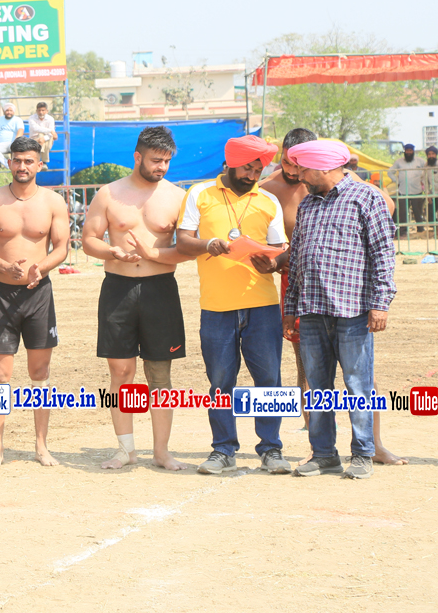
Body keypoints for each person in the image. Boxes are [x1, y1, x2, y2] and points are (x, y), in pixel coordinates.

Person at [259, 128, 397, 449]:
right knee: (313, 376)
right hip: (306, 297)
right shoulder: (287, 196)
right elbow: (292, 252)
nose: (296, 173)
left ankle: (368, 448)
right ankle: (321, 451)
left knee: (359, 378)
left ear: (321, 165)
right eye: (289, 164)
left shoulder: (358, 191)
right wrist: (288, 301)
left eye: (302, 167)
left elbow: (383, 240)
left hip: (350, 300)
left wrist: (380, 301)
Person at [175, 135, 291, 475]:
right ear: (230, 163)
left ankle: (271, 449)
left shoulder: (268, 200)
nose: (253, 174)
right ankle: (223, 450)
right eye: (248, 168)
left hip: (263, 304)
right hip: (216, 306)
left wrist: (274, 263)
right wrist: (207, 244)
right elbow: (182, 242)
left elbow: (281, 250)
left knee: (268, 380)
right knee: (220, 382)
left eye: (258, 169)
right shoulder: (199, 193)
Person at [82, 126, 191, 470]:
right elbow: (88, 240)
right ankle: (125, 449)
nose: (162, 167)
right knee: (121, 371)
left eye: (167, 161)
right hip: (118, 289)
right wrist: (111, 251)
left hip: (161, 290)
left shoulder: (178, 197)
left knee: (159, 374)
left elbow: (186, 250)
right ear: (137, 157)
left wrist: (154, 254)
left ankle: (161, 452)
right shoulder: (108, 194)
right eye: (156, 160)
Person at [0, 137, 70, 468]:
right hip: (3, 294)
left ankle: (41, 446)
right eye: (17, 160)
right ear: (9, 163)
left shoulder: (53, 202)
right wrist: (3, 266)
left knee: (39, 372)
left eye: (29, 161)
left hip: (39, 295)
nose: (22, 166)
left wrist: (40, 268)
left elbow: (62, 247)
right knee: (0, 374)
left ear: (39, 164)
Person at [389, 143, 425, 234]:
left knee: (418, 211)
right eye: (407, 150)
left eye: (410, 150)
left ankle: (420, 230)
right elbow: (390, 172)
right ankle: (403, 232)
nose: (408, 152)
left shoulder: (420, 161)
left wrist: (423, 180)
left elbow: (427, 170)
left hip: (417, 190)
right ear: (404, 151)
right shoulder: (399, 162)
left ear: (413, 151)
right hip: (403, 191)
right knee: (403, 212)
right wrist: (397, 181)